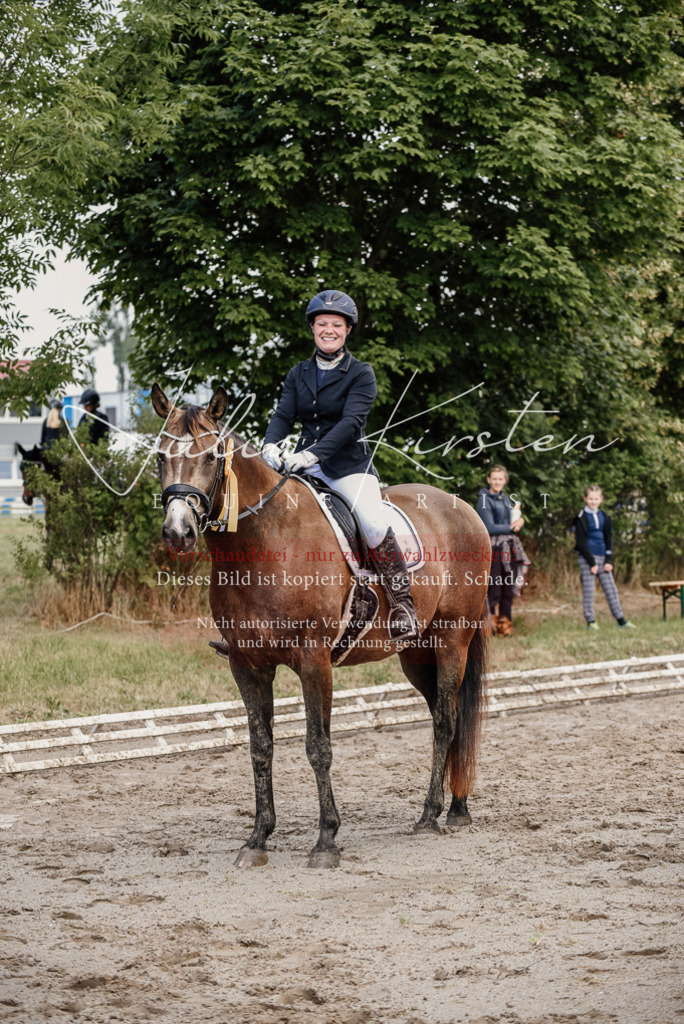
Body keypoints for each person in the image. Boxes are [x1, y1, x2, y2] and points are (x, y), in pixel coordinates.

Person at [261, 289, 420, 641]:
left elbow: (350, 424)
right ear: (313, 328)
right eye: (322, 323)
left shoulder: (361, 373)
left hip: (348, 467)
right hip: (302, 466)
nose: (328, 329)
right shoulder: (298, 372)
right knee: (263, 515)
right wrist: (270, 444)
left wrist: (311, 455)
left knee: (373, 523)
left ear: (347, 330)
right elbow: (284, 414)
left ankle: (402, 604)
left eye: (336, 324)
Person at [476, 465, 529, 636]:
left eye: (501, 479)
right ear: (489, 480)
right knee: (494, 589)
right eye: (494, 478)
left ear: (505, 480)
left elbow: (513, 521)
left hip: (509, 548)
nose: (498, 482)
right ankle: (488, 628)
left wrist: (520, 521)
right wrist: (512, 528)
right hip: (493, 548)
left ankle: (506, 627)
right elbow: (488, 527)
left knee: (508, 589)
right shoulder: (484, 498)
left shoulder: (505, 498)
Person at [573, 485, 635, 630]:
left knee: (611, 589)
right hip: (587, 558)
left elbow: (609, 538)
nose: (593, 501)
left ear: (601, 499)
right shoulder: (581, 517)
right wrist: (591, 563)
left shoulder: (605, 517)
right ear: (585, 499)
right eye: (590, 498)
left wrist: (609, 560)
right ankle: (591, 621)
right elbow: (581, 542)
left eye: (596, 498)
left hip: (602, 557)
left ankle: (621, 620)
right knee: (589, 590)